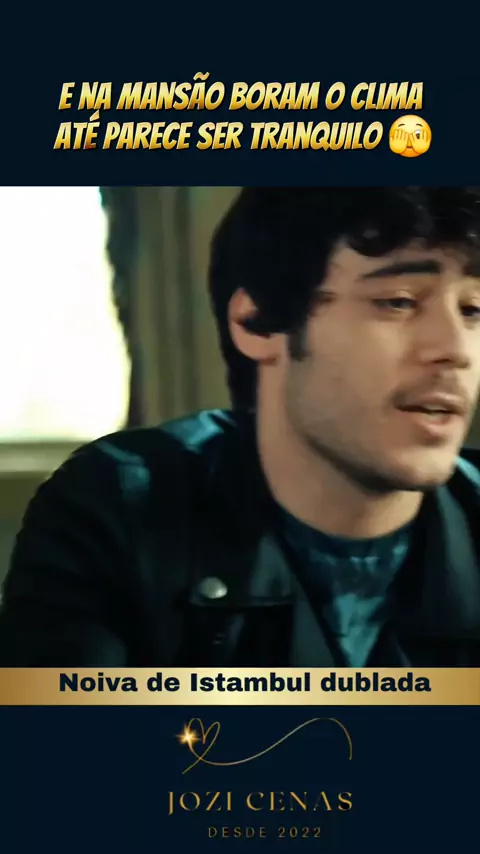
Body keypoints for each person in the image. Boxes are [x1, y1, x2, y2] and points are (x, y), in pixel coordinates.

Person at [1, 187, 480, 667]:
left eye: (473, 310)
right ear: (256, 323)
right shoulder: (121, 511)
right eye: (398, 302)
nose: (455, 349)